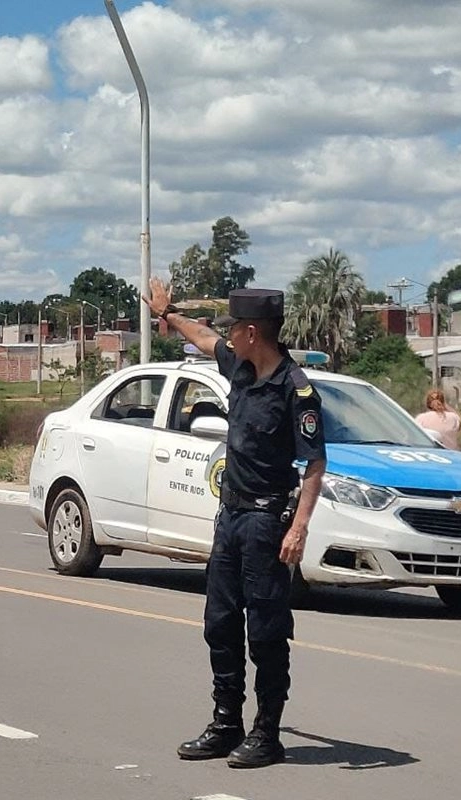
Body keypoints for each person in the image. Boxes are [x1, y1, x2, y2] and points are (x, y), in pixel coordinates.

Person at [148, 281, 326, 769]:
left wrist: (299, 528)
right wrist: (170, 312)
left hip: (269, 522)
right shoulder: (239, 365)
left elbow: (314, 464)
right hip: (230, 517)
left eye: (234, 331)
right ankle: (226, 723)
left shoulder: (296, 390)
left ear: (252, 332)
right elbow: (203, 337)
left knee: (266, 631)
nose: (227, 338)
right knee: (220, 624)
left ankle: (267, 732)